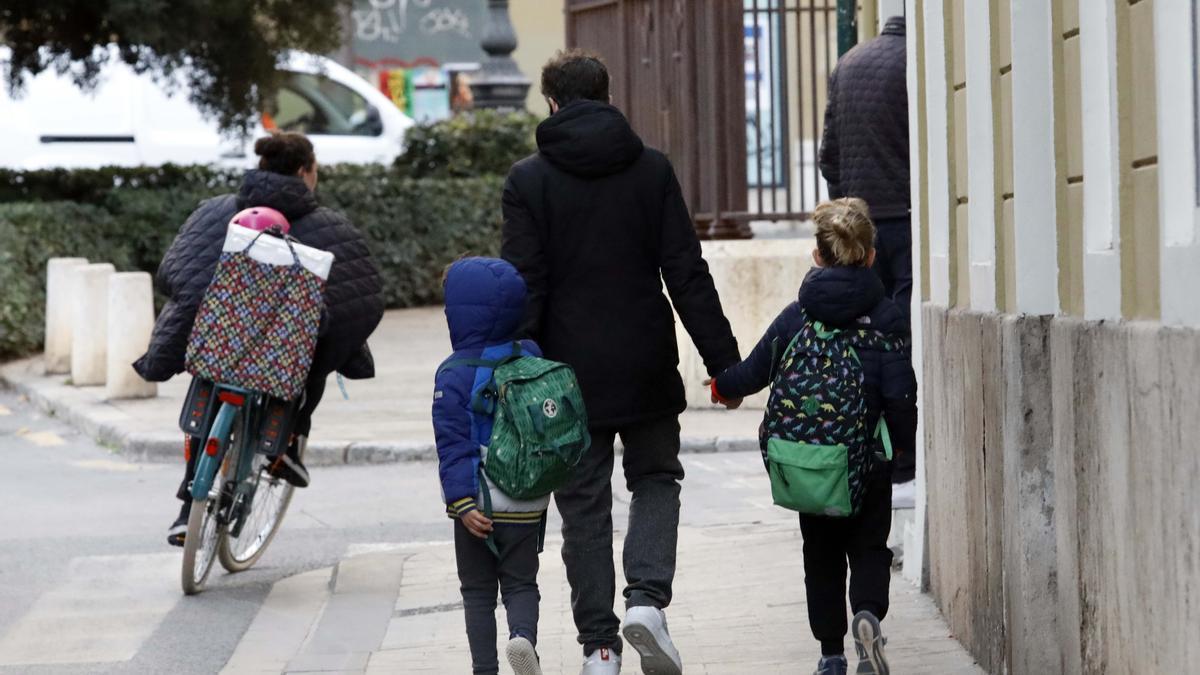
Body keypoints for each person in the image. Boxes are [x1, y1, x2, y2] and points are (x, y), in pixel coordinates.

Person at [500, 49, 741, 675]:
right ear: (608, 96)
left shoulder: (528, 181)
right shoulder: (652, 170)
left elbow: (526, 286)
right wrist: (726, 364)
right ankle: (647, 602)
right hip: (644, 362)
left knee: (582, 504)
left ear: (552, 102)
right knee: (657, 478)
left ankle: (599, 648)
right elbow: (686, 273)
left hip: (564, 376)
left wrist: (514, 372)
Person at [134, 132, 384, 546]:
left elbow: (174, 275)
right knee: (311, 362)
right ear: (307, 172)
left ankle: (185, 510)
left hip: (218, 345)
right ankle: (285, 443)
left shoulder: (213, 211)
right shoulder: (330, 227)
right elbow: (360, 302)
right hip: (284, 362)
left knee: (211, 373)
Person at [709, 198, 917, 675]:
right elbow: (901, 393)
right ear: (869, 256)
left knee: (820, 556)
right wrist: (901, 444)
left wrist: (722, 387)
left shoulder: (798, 314)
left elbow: (755, 369)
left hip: (810, 463)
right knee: (869, 548)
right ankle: (867, 614)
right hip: (868, 460)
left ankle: (830, 653)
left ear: (817, 256)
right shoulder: (885, 317)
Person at [433, 257, 548, 675]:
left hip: (478, 502)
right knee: (522, 583)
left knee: (478, 591)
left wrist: (461, 501)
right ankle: (523, 637)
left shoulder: (455, 373)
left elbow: (453, 444)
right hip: (528, 499)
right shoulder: (532, 356)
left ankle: (486, 668)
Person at [818, 15, 916, 501]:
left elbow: (828, 153)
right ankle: (905, 455)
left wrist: (847, 207)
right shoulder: (917, 62)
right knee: (901, 335)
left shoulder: (848, 62)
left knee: (862, 335)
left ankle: (863, 444)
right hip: (908, 216)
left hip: (861, 226)